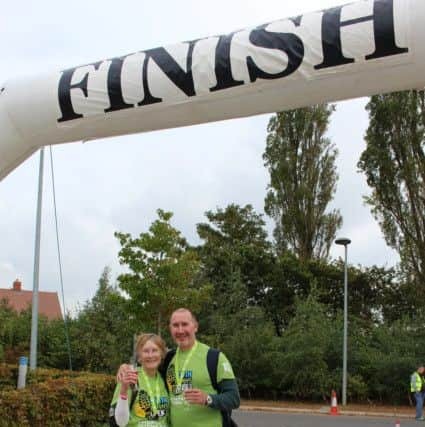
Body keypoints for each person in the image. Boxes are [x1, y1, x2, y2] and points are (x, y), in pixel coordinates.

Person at [118, 308, 240, 427]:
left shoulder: (214, 357)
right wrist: (125, 367)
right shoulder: (169, 358)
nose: (180, 330)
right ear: (170, 329)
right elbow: (148, 364)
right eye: (175, 325)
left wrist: (207, 399)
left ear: (195, 326)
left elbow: (234, 398)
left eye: (185, 324)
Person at [110, 333, 170, 427]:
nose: (150, 355)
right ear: (139, 355)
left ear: (161, 353)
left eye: (155, 350)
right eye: (146, 351)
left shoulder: (165, 379)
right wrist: (124, 389)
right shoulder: (130, 376)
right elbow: (120, 422)